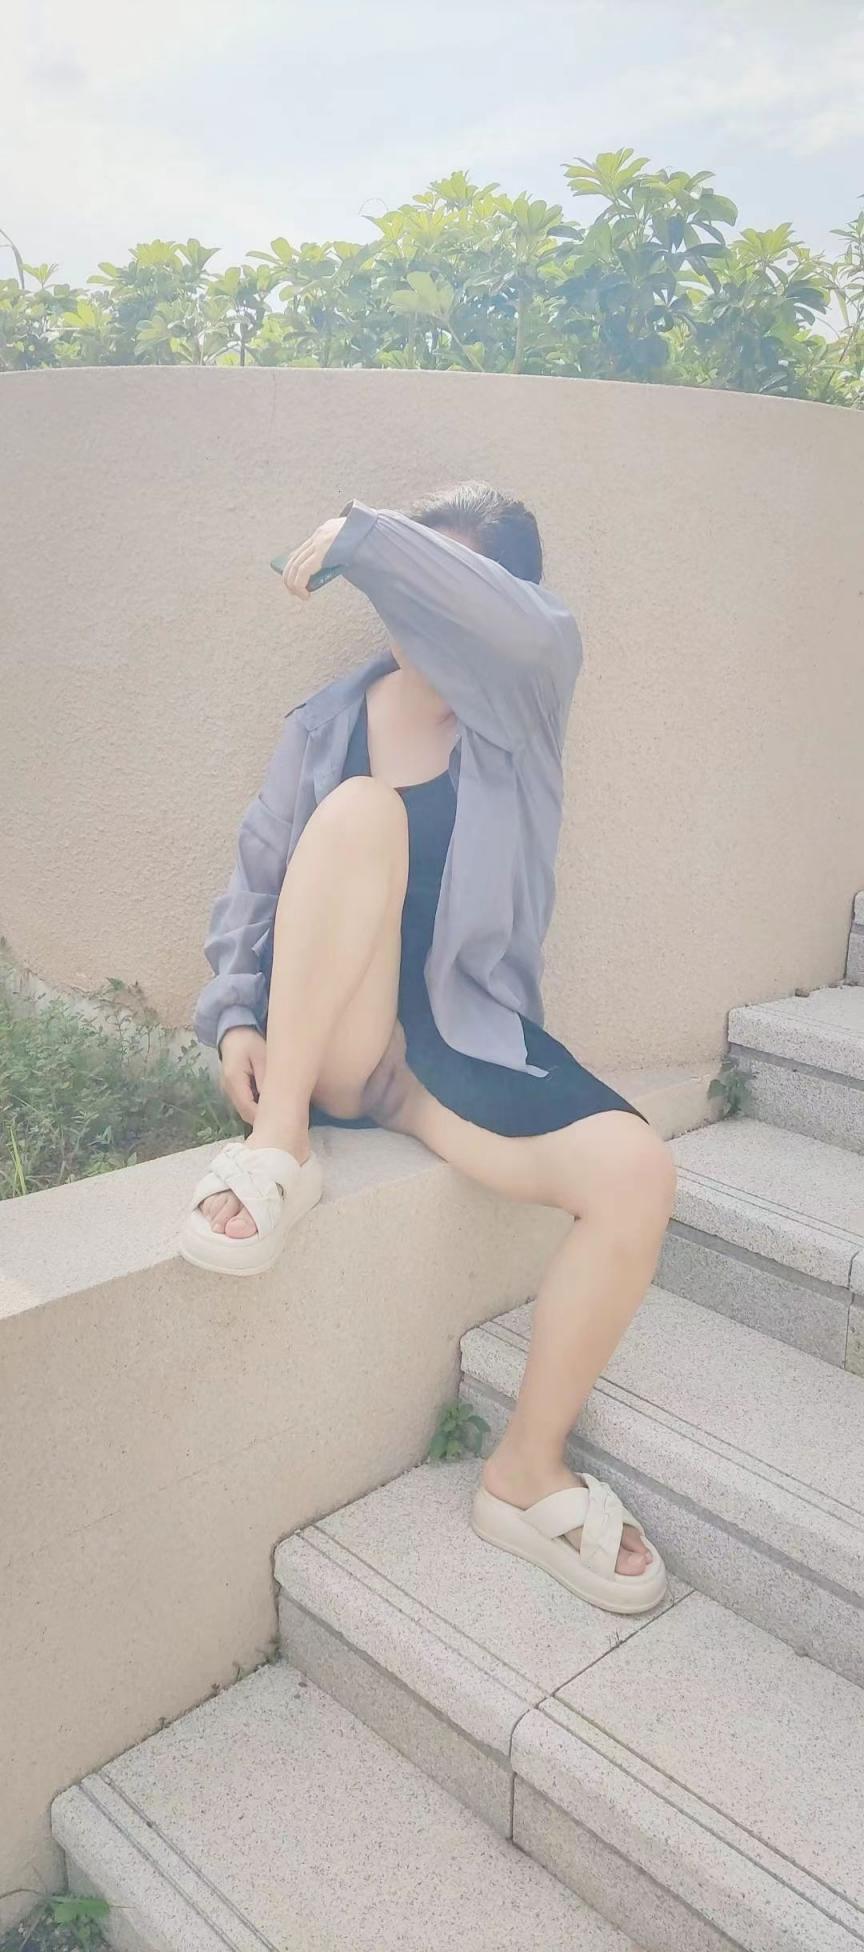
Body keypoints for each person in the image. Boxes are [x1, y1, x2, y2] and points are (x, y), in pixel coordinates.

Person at [182, 484, 676, 1616]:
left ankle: (525, 1471)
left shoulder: (522, 704)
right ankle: (280, 1149)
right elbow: (254, 885)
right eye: (399, 582)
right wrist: (237, 1019)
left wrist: (367, 538)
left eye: (434, 582)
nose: (411, 608)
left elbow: (532, 631)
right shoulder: (327, 724)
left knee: (639, 1174)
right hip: (334, 1041)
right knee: (361, 811)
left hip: (459, 1045)